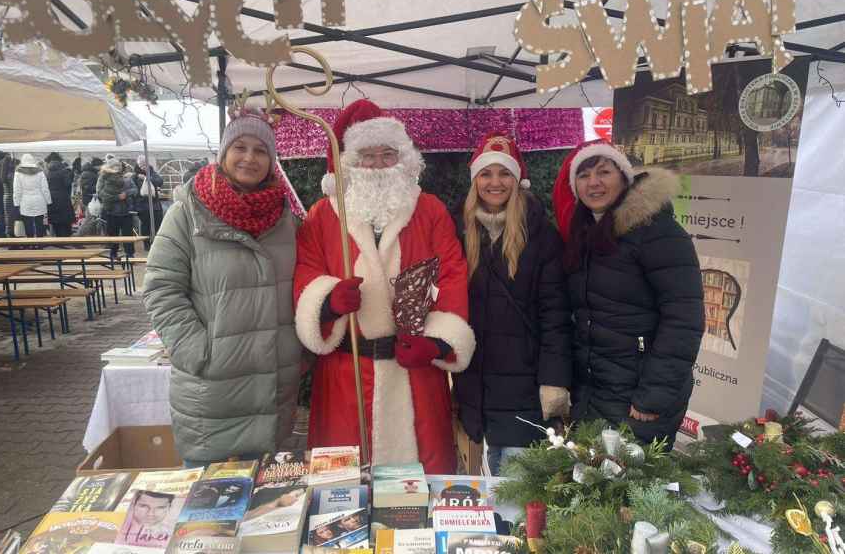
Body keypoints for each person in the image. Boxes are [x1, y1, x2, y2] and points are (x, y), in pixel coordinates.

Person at [293, 99, 475, 474]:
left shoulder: (430, 210)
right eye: (366, 155)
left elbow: (452, 274)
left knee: (421, 485)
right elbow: (306, 273)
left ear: (404, 159)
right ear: (348, 163)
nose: (377, 165)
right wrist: (327, 302)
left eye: (387, 154)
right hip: (347, 372)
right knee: (343, 486)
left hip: (414, 369)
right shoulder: (321, 215)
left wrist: (438, 343)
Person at [143, 106, 301, 467]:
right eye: (240, 147)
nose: (249, 158)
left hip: (273, 389)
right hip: (212, 393)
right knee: (209, 511)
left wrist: (298, 349)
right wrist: (196, 350)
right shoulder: (187, 213)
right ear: (223, 154)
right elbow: (160, 288)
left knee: (269, 508)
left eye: (261, 151)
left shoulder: (284, 219)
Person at [552, 139, 704, 447]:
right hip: (596, 392)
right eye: (583, 175)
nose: (593, 183)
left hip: (639, 398)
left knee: (634, 490)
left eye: (603, 172)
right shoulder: (585, 234)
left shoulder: (659, 233)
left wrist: (652, 396)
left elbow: (683, 320)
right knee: (591, 486)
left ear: (624, 177)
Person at [453, 132, 573, 476]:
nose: (495, 182)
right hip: (477, 380)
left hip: (525, 382)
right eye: (486, 174)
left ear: (518, 179)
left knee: (520, 485)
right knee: (489, 476)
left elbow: (555, 315)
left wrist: (554, 380)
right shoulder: (461, 230)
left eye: (504, 173)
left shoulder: (542, 235)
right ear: (475, 180)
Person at [96, 158, 138, 259]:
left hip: (126, 211)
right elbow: (101, 194)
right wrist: (117, 197)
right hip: (111, 211)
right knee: (112, 234)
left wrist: (126, 194)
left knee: (127, 234)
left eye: (118, 166)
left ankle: (129, 254)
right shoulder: (103, 179)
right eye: (115, 166)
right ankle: (113, 253)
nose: (117, 168)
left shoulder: (126, 178)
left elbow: (135, 189)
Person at [13, 154, 51, 238]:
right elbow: (45, 188)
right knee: (39, 223)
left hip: (25, 201)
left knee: (27, 224)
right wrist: (48, 201)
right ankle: (39, 244)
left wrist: (16, 203)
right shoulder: (40, 171)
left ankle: (30, 242)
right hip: (39, 200)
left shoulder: (18, 173)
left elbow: (17, 190)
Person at [133, 155, 164, 249]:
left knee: (157, 224)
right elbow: (133, 191)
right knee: (145, 225)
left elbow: (160, 181)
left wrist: (147, 178)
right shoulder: (135, 176)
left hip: (155, 205)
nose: (143, 166)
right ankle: (147, 244)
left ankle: (157, 243)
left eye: (144, 164)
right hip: (142, 206)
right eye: (141, 165)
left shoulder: (152, 173)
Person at [45, 152, 75, 237]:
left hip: (52, 198)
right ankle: (66, 238)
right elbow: (68, 184)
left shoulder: (47, 172)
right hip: (63, 198)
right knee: (65, 221)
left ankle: (58, 239)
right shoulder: (64, 170)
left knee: (55, 221)